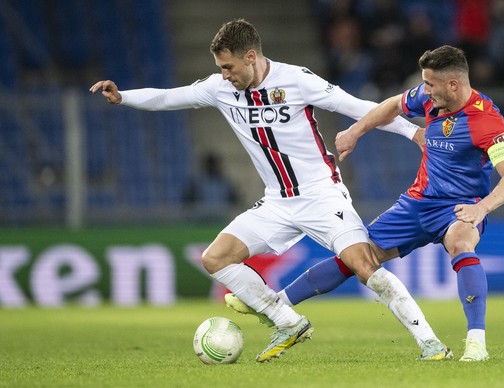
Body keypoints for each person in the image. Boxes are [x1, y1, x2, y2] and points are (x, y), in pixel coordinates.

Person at [90, 19, 451, 363]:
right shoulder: (220, 88)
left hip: (321, 195)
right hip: (277, 202)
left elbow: (358, 107)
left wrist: (412, 132)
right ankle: (288, 322)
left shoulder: (296, 80)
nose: (224, 75)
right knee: (215, 257)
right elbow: (170, 97)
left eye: (229, 67)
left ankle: (431, 344)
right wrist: (123, 97)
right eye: (220, 68)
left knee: (364, 265)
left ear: (251, 56)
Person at [227, 45, 504, 362]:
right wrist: (356, 130)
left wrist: (481, 209)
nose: (424, 91)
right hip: (418, 202)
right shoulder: (429, 97)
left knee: (461, 241)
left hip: (461, 207)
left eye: (430, 84)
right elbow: (393, 105)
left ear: (453, 84)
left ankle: (476, 344)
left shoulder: (486, 120)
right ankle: (275, 303)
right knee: (358, 257)